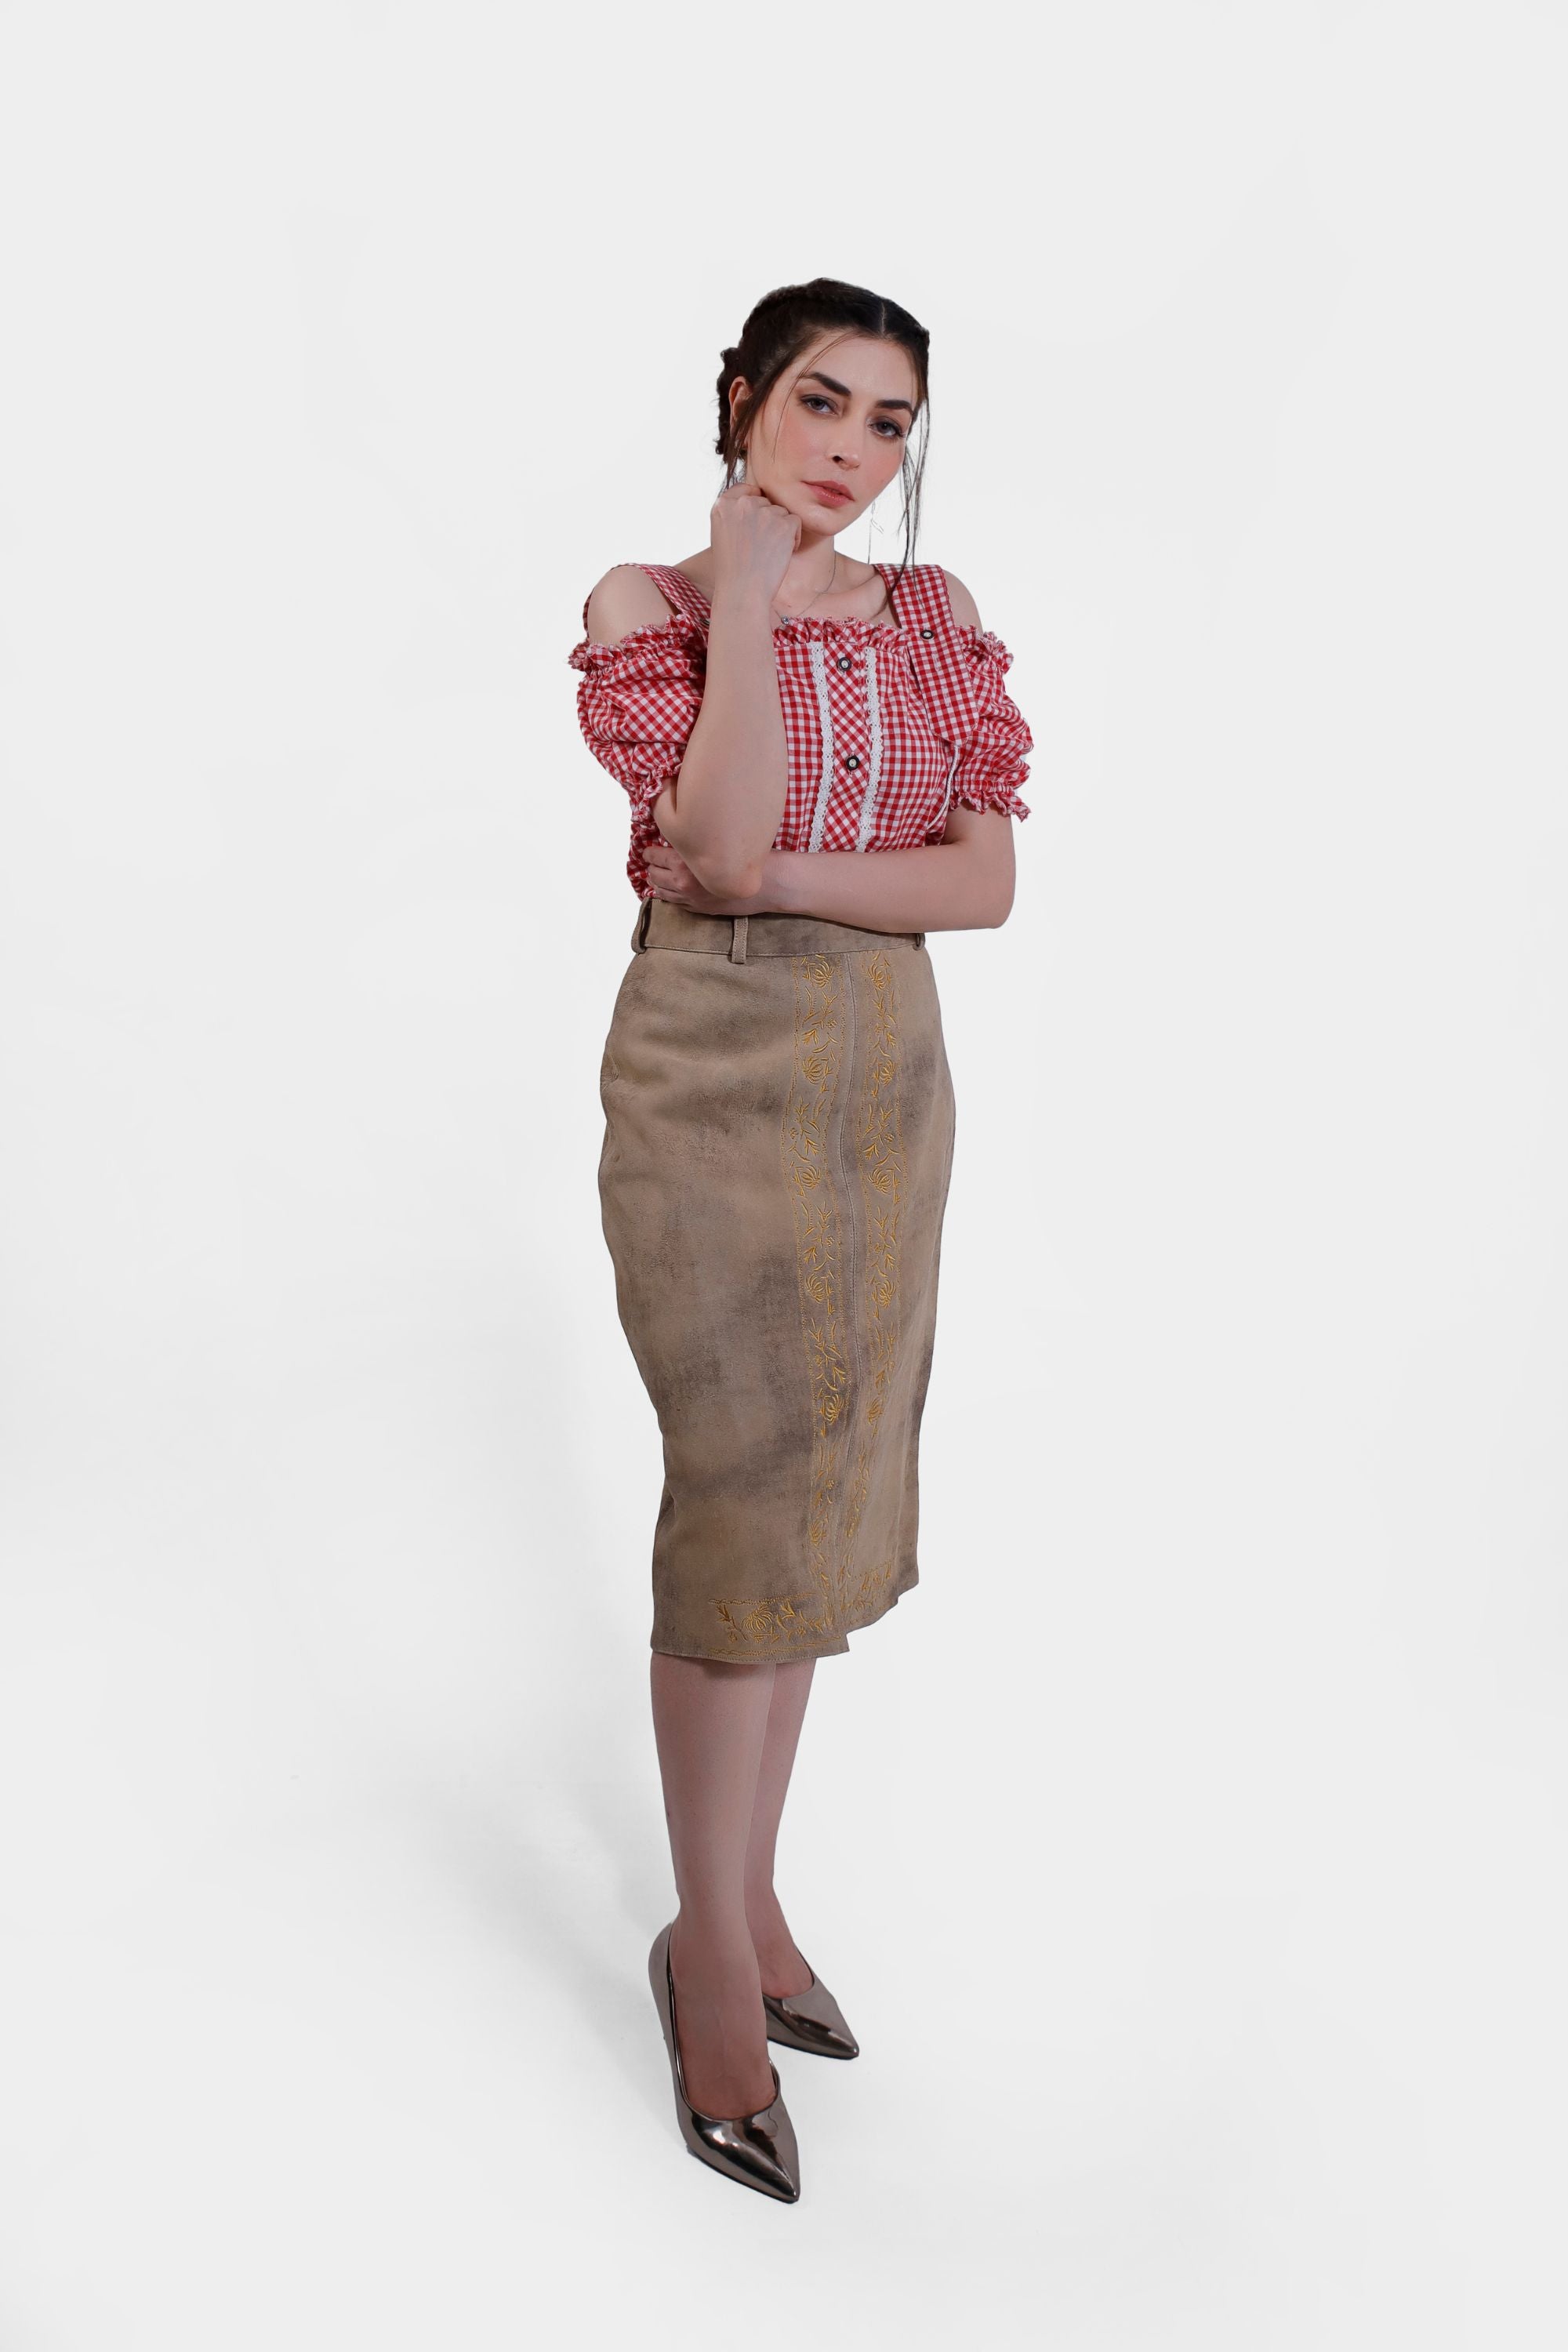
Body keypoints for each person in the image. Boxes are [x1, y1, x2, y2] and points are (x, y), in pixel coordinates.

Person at [567, 278, 1034, 2201]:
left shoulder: (931, 620)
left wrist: (781, 881)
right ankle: (705, 1971)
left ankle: (740, 1907)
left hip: (881, 1077)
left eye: (889, 422)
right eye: (820, 403)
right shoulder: (649, 611)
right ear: (741, 399)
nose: (849, 450)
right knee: (737, 1491)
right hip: (711, 1068)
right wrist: (748, 604)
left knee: (826, 1483)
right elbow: (717, 825)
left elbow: (984, 884)